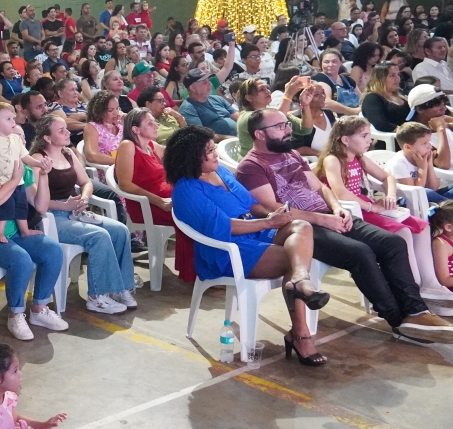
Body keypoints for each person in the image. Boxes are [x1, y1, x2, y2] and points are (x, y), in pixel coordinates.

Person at [237, 109, 450, 339]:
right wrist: (323, 219)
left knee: (393, 243)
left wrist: (337, 208)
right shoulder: (251, 167)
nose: (288, 129)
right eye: (280, 126)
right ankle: (398, 320)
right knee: (360, 253)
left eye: (286, 124)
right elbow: (273, 209)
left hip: (329, 214)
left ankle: (416, 311)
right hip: (300, 228)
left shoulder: (291, 154)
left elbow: (321, 188)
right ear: (259, 134)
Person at [166, 125, 328, 366]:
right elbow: (223, 227)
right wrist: (268, 223)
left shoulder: (221, 172)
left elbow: (250, 203)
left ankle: (300, 280)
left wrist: (273, 215)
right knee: (292, 260)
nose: (215, 154)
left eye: (213, 148)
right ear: (191, 157)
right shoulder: (186, 189)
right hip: (226, 249)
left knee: (302, 227)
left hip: (255, 231)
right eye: (209, 151)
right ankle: (301, 334)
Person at [0, 134, 68, 339]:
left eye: (21, 138)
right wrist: (14, 181)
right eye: (13, 137)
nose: (19, 141)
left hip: (12, 233)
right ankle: (16, 315)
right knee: (21, 259)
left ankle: (39, 309)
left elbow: (40, 206)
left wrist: (44, 175)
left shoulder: (22, 168)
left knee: (53, 250)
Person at [30, 115, 137, 313]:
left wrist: (85, 198)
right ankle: (97, 296)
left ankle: (120, 287)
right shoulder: (38, 160)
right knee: (99, 236)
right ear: (47, 137)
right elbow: (36, 200)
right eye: (61, 130)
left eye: (66, 128)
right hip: (52, 217)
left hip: (75, 211)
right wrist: (64, 206)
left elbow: (86, 182)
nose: (67, 132)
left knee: (120, 230)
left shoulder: (68, 154)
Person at [115, 108, 195, 282]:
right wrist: (159, 202)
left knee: (204, 206)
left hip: (166, 199)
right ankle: (196, 271)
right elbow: (125, 184)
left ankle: (205, 268)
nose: (156, 126)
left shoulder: (151, 145)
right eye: (150, 123)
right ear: (135, 129)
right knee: (196, 214)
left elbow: (174, 154)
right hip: (147, 205)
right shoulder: (128, 146)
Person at [0, 102, 43, 244]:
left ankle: (25, 230)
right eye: (8, 119)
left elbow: (25, 157)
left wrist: (39, 164)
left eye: (13, 118)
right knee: (5, 206)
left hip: (19, 181)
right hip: (3, 183)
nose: (13, 122)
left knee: (22, 205)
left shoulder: (16, 139)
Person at [386, 122, 453, 203]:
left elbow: (434, 187)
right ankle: (448, 206)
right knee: (427, 192)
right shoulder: (398, 163)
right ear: (408, 147)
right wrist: (422, 168)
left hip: (425, 196)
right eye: (424, 143)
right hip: (405, 201)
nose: (430, 146)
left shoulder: (422, 158)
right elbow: (414, 192)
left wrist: (429, 164)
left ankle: (447, 205)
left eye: (429, 142)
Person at [179, 67, 237, 135]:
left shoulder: (217, 99)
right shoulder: (188, 108)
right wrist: (231, 138)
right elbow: (200, 135)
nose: (210, 84)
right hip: (223, 140)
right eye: (204, 82)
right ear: (192, 88)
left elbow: (237, 116)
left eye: (208, 81)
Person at [361, 62, 410, 133]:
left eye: (398, 74)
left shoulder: (400, 94)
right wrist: (409, 132)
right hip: (395, 136)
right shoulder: (372, 98)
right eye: (392, 75)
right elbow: (381, 124)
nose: (397, 78)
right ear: (380, 78)